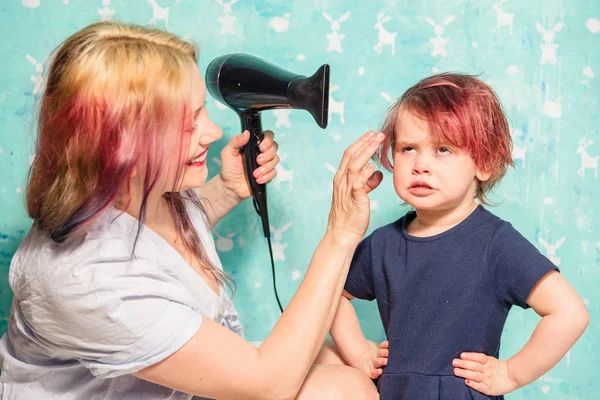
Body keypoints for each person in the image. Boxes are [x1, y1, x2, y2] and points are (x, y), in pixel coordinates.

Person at [0, 21, 387, 399]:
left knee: (335, 358)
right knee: (345, 389)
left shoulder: (140, 190)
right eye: (187, 124)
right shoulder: (85, 279)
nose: (213, 133)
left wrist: (227, 190)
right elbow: (267, 383)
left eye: (202, 110)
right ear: (119, 146)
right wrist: (340, 236)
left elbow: (156, 247)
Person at [329, 73, 590, 399]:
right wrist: (358, 353)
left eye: (442, 149)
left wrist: (510, 373)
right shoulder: (384, 244)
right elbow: (330, 293)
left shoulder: (496, 244)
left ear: (484, 163)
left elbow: (570, 313)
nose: (421, 164)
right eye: (409, 148)